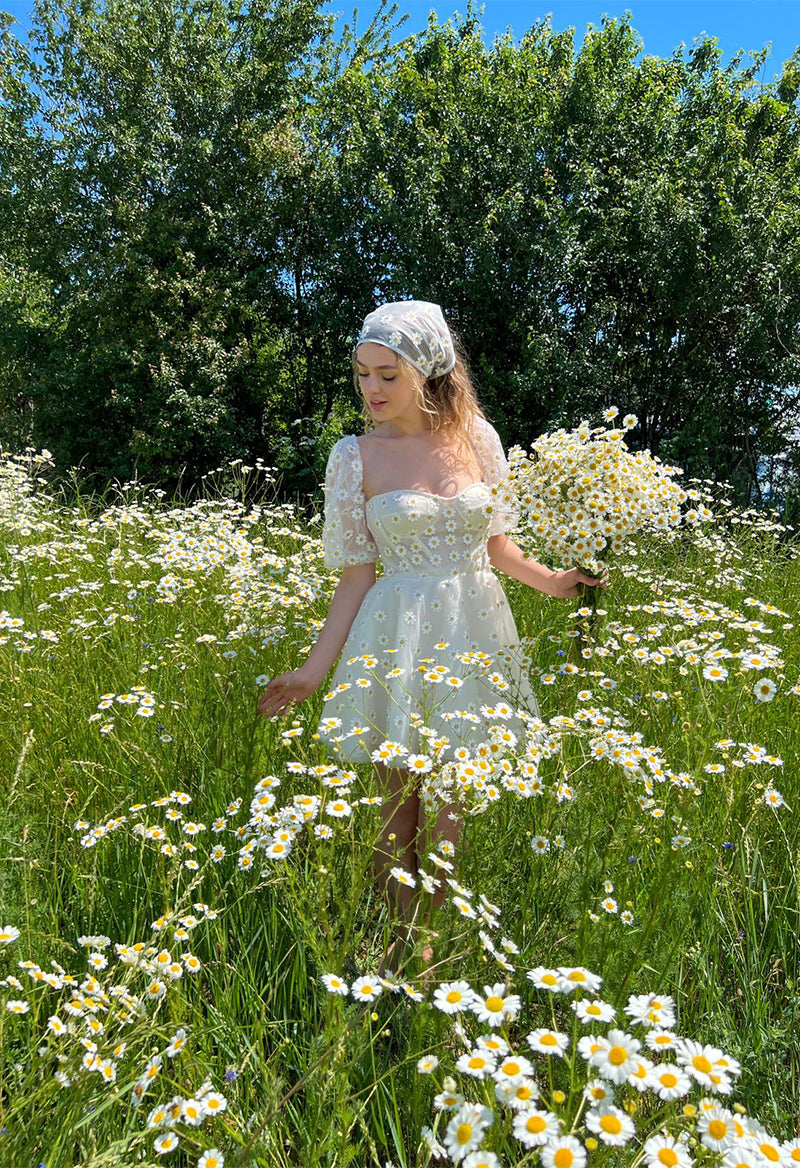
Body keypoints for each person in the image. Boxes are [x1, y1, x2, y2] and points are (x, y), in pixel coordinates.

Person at [258, 299, 607, 975]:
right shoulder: (355, 456)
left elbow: (498, 547)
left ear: (428, 369)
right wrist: (312, 672)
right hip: (396, 634)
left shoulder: (477, 439)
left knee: (452, 804)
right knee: (400, 806)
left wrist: (554, 582)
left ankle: (433, 952)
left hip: (474, 628)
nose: (371, 389)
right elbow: (357, 579)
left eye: (387, 373)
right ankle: (398, 940)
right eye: (362, 374)